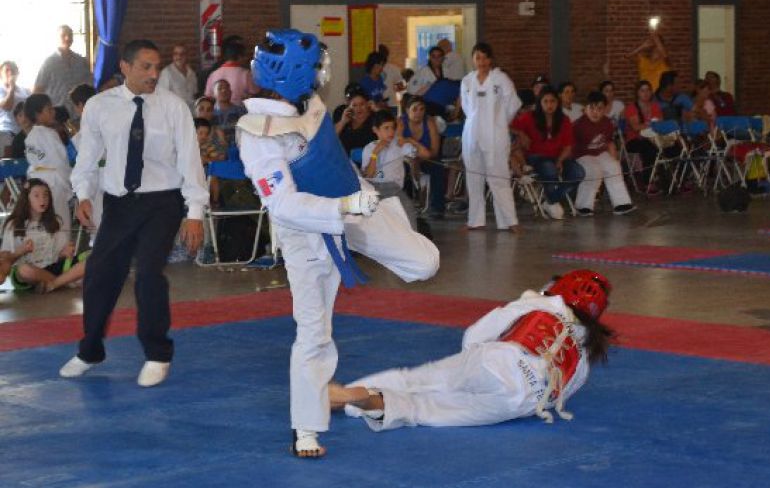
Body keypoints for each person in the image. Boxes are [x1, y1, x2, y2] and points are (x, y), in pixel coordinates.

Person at [236, 28, 439, 458]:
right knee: (313, 332)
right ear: (293, 72)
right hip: (308, 232)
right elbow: (284, 205)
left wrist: (357, 199)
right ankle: (306, 427)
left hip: (356, 199)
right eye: (314, 69)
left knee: (425, 263)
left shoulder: (307, 104)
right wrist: (344, 207)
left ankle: (377, 223)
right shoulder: (257, 133)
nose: (320, 76)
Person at [58, 39, 208, 388]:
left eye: (157, 67)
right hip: (119, 202)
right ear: (124, 67)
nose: (154, 74)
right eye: (146, 67)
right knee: (99, 275)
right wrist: (82, 194)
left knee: (148, 274)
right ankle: (91, 350)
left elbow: (190, 159)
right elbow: (88, 156)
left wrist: (195, 211)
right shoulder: (98, 107)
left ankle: (158, 354)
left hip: (162, 202)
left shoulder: (173, 107)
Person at [329, 269, 615, 431]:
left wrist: (472, 363)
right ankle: (363, 401)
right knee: (421, 410)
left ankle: (341, 394)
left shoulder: (539, 305)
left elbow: (474, 337)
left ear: (560, 287)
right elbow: (556, 398)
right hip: (519, 403)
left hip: (496, 362)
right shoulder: (585, 357)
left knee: (415, 380)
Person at [460, 42, 521, 231]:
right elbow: (466, 108)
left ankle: (509, 221)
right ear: (472, 60)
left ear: (491, 59)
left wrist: (500, 123)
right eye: (478, 57)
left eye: (485, 57)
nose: (482, 61)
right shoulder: (467, 81)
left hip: (495, 135)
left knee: (499, 178)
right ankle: (475, 221)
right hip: (472, 135)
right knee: (474, 178)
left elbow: (513, 104)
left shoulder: (501, 79)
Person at [1, 178, 86, 293]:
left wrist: (64, 253)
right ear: (26, 199)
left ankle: (54, 283)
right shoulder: (14, 224)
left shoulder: (55, 221)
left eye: (46, 195)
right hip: (29, 274)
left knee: (92, 256)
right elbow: (5, 260)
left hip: (54, 268)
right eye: (36, 196)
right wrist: (21, 251)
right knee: (24, 269)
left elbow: (60, 258)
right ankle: (65, 282)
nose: (43, 199)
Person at [511, 88, 584, 220]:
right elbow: (508, 125)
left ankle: (550, 200)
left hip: (558, 156)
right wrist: (521, 134)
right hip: (536, 157)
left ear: (558, 103)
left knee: (578, 173)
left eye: (552, 101)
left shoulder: (564, 120)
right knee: (549, 169)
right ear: (540, 103)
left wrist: (560, 160)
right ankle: (552, 202)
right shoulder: (529, 117)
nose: (549, 105)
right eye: (545, 101)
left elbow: (568, 146)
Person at [572, 92, 635, 216]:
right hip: (582, 154)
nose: (595, 112)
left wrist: (614, 158)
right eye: (592, 108)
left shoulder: (607, 123)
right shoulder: (578, 125)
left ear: (605, 110)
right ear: (586, 108)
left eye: (599, 109)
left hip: (600, 152)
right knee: (594, 171)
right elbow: (570, 145)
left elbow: (609, 142)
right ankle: (583, 206)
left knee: (614, 167)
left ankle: (621, 203)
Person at [362, 109, 421, 223]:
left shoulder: (398, 145)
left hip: (395, 190)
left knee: (408, 216)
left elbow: (414, 154)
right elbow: (369, 174)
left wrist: (404, 141)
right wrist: (375, 153)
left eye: (393, 128)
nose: (391, 132)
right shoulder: (369, 148)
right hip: (375, 190)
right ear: (375, 130)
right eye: (386, 128)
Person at [24, 93, 72, 232]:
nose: (54, 112)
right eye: (49, 109)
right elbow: (60, 163)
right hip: (54, 185)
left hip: (36, 186)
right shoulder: (50, 134)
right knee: (60, 225)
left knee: (42, 225)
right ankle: (63, 253)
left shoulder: (30, 136)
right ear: (38, 114)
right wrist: (69, 183)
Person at [397, 94, 446, 218]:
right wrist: (412, 156)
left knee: (438, 169)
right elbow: (397, 146)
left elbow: (434, 151)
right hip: (406, 159)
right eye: (415, 109)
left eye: (422, 109)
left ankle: (437, 207)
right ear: (407, 110)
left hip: (426, 158)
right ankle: (406, 206)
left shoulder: (429, 122)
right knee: (402, 170)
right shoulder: (401, 122)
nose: (418, 113)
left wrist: (414, 144)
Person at [33, 25, 93, 116]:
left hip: (80, 113)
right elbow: (37, 89)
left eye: (70, 35)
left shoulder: (81, 61)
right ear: (57, 38)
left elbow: (90, 84)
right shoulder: (49, 62)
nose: (67, 38)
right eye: (63, 35)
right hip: (58, 115)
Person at [623, 80, 664, 192]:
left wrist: (648, 124)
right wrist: (650, 124)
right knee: (649, 148)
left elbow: (660, 123)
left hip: (654, 138)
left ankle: (668, 180)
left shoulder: (655, 106)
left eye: (648, 90)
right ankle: (647, 182)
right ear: (637, 93)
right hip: (635, 140)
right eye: (642, 90)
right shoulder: (632, 108)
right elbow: (636, 127)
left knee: (672, 146)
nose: (645, 93)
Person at [204, 40, 257, 105]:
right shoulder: (246, 74)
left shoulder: (213, 74)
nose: (246, 59)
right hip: (240, 113)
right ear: (239, 57)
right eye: (245, 56)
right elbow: (255, 94)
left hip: (218, 113)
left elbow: (208, 97)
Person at [334, 89, 376, 155]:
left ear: (368, 105)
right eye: (354, 105)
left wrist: (377, 109)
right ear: (349, 108)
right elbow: (330, 139)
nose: (359, 108)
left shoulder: (375, 120)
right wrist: (343, 122)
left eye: (362, 104)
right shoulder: (346, 122)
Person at [0, 61, 29, 155]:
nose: (10, 73)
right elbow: (7, 106)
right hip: (8, 131)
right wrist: (11, 86)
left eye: (13, 70)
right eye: (7, 70)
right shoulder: (1, 89)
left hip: (26, 131)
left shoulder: (25, 91)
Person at [212, 79, 246, 144]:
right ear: (214, 93)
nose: (224, 90)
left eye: (227, 88)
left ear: (231, 92)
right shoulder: (210, 113)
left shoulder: (241, 111)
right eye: (220, 88)